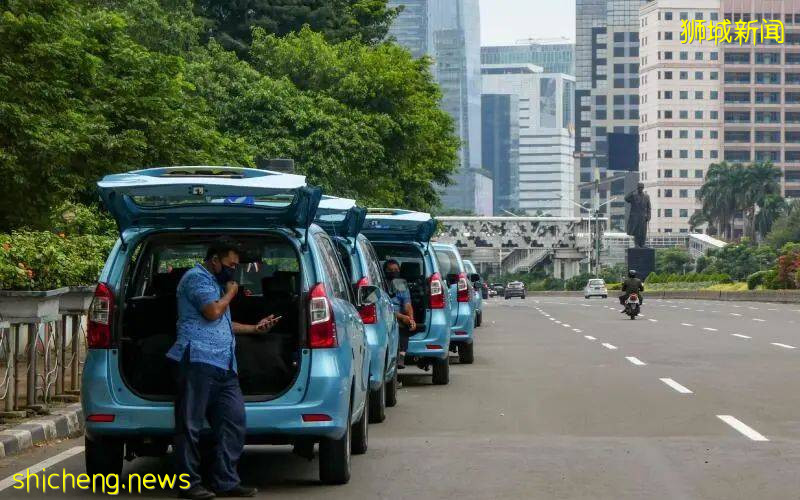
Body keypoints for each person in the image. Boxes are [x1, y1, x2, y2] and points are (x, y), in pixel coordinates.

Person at [167, 239, 279, 500]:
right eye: (230, 264)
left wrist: (255, 328)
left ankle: (225, 481)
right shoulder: (196, 278)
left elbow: (224, 323)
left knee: (233, 421)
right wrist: (230, 293)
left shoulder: (216, 283)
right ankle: (188, 484)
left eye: (236, 266)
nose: (233, 270)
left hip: (225, 364)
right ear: (215, 260)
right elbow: (212, 312)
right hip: (197, 359)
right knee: (190, 425)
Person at [383, 259, 416, 369]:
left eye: (396, 270)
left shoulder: (401, 284)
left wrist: (411, 319)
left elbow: (407, 304)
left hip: (398, 318)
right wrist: (402, 317)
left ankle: (401, 356)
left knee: (405, 324)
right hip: (385, 315)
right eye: (390, 270)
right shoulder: (381, 284)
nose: (394, 272)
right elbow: (385, 308)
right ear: (385, 271)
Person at [625, 183, 651, 248]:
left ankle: (642, 244)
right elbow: (626, 198)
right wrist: (632, 192)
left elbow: (649, 207)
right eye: (639, 187)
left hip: (643, 217)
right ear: (637, 188)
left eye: (641, 187)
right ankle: (636, 244)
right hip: (635, 217)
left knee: (643, 231)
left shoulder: (647, 196)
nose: (640, 189)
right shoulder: (634, 196)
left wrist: (649, 216)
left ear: (643, 188)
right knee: (637, 231)